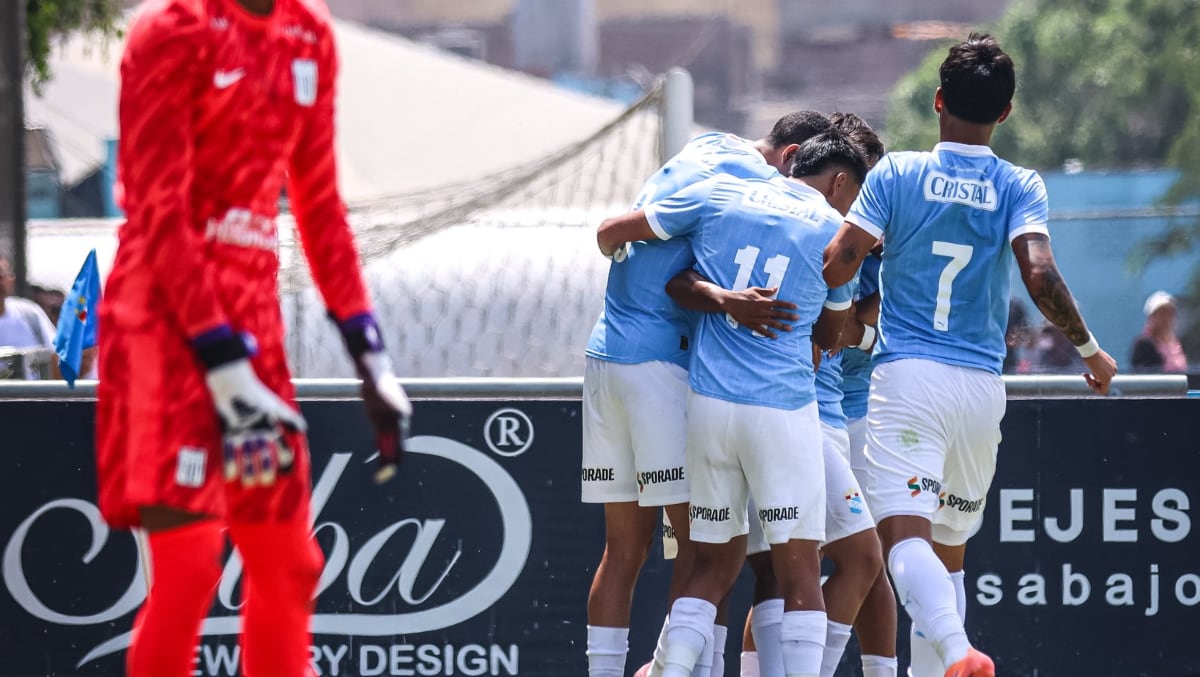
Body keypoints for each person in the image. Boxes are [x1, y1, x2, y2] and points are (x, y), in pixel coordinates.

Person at [97, 1, 413, 675]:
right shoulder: (173, 29)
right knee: (187, 569)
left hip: (252, 337)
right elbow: (158, 207)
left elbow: (320, 205)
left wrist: (371, 354)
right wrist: (219, 359)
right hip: (164, 332)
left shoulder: (309, 33)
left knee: (290, 562)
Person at [822, 33, 1117, 677]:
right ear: (1005, 113)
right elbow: (1039, 277)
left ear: (937, 100)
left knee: (904, 542)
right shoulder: (1020, 184)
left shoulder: (897, 173)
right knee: (950, 553)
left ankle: (958, 654)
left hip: (908, 380)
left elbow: (840, 259)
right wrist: (1091, 351)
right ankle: (951, 662)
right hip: (983, 389)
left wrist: (817, 316)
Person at [598, 130, 867, 677]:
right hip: (782, 412)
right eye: (854, 195)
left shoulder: (722, 193)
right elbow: (832, 331)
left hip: (708, 410)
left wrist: (723, 300)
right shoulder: (831, 233)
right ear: (839, 182)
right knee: (798, 573)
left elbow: (670, 278)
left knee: (711, 562)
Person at [0, 250, 58, 379]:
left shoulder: (30, 314)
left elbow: (54, 356)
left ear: (11, 279)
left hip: (31, 398)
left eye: (1, 276)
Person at [1131, 290, 1188, 373]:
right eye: (1161, 313)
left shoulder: (1178, 344)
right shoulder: (1144, 346)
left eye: (1170, 313)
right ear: (1151, 317)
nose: (1166, 318)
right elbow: (1145, 379)